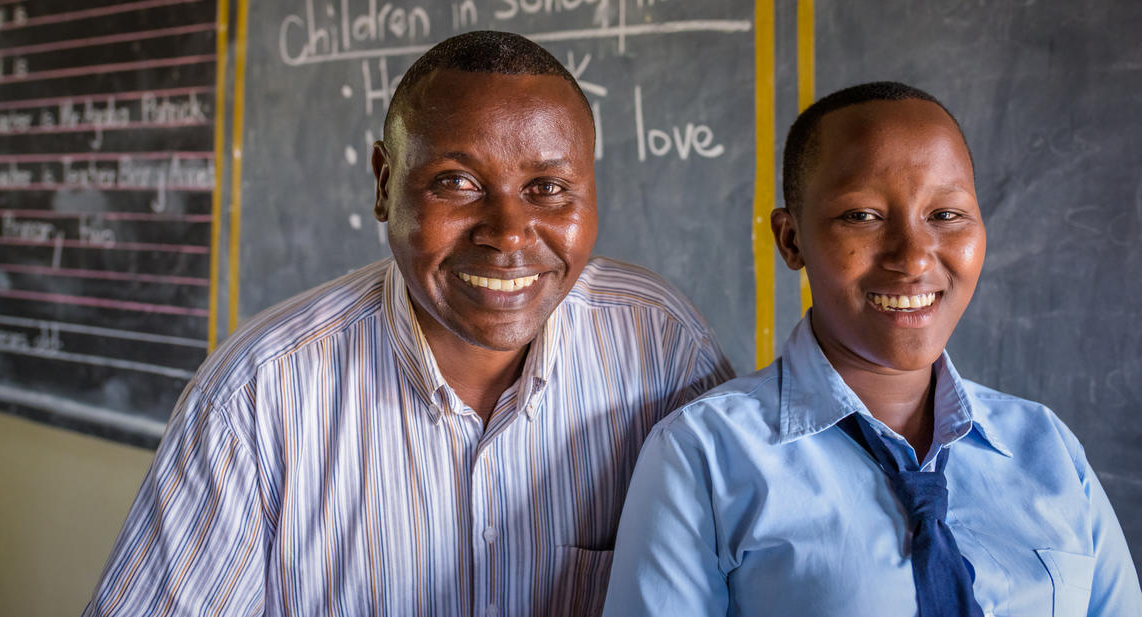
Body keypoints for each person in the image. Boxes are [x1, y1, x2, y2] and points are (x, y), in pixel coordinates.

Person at [82, 31, 732, 617]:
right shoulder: (258, 395)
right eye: (457, 182)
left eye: (548, 188)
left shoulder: (663, 348)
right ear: (384, 183)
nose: (508, 234)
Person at [603, 82, 1142, 616]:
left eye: (945, 215)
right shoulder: (706, 456)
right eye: (863, 216)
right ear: (791, 240)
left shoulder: (1046, 448)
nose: (912, 258)